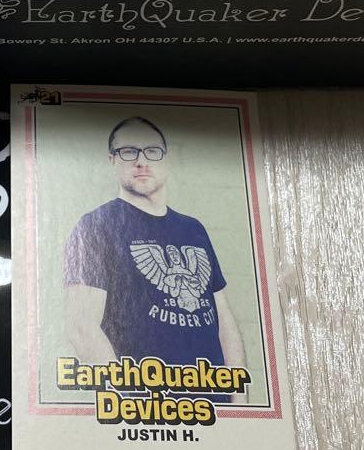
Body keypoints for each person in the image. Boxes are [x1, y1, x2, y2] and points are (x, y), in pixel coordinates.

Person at [63, 115, 247, 404]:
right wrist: (128, 405)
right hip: (148, 411)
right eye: (129, 151)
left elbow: (225, 323)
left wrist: (240, 404)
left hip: (215, 411)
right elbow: (81, 327)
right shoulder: (95, 226)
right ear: (113, 160)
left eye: (152, 151)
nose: (141, 161)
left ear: (166, 160)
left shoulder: (193, 229)